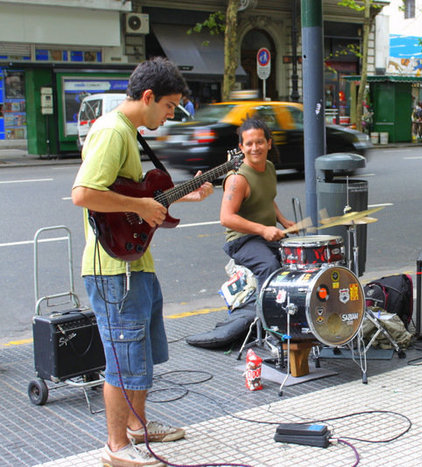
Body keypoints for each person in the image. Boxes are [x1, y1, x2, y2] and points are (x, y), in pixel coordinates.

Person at [71, 57, 214, 467]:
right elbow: (84, 194)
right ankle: (116, 448)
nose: (171, 115)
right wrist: (140, 204)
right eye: (169, 106)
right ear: (148, 97)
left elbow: (142, 199)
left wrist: (189, 194)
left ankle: (137, 427)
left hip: (135, 264)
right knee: (123, 358)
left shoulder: (130, 132)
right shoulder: (113, 132)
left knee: (143, 355)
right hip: (113, 270)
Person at [220, 118, 296, 291]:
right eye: (249, 144)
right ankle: (265, 315)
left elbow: (266, 198)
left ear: (269, 144)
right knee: (269, 267)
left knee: (296, 261)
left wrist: (283, 221)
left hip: (265, 237)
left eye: (260, 142)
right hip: (242, 240)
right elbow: (226, 218)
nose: (255, 148)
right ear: (241, 148)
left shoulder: (268, 167)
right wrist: (263, 229)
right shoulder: (237, 179)